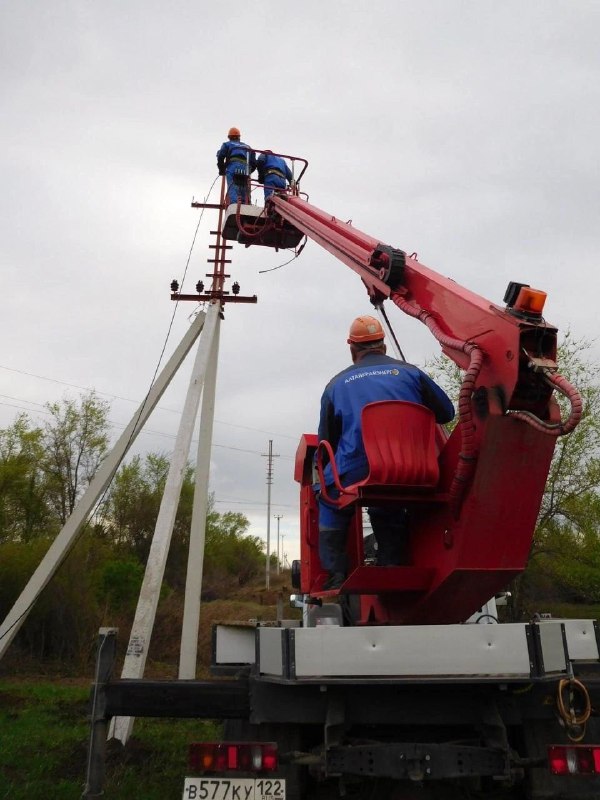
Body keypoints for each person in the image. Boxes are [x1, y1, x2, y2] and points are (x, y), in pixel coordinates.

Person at [317, 315, 455, 590]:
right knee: (388, 494)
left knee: (327, 493)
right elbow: (446, 413)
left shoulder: (335, 385)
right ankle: (392, 562)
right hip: (414, 467)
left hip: (360, 467)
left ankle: (336, 575)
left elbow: (326, 441)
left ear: (353, 349)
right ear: (383, 346)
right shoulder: (412, 373)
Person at [216, 127, 256, 204]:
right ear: (239, 137)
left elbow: (220, 156)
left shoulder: (227, 144)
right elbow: (254, 161)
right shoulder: (247, 146)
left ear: (229, 137)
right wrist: (250, 171)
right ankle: (245, 203)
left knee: (232, 185)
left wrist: (221, 170)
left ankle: (235, 203)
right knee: (244, 186)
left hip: (233, 165)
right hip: (245, 166)